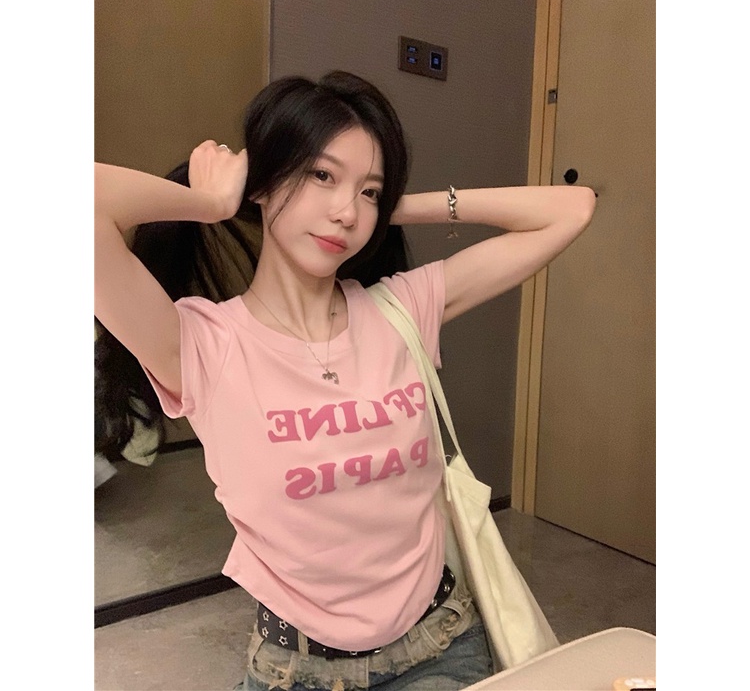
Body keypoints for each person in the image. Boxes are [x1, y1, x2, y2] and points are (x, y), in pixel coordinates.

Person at [94, 70, 595, 691]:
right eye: (321, 176)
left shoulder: (402, 307)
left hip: (440, 647)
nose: (346, 211)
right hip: (296, 671)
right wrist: (215, 203)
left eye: (369, 190)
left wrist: (394, 207)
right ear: (264, 182)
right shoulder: (203, 344)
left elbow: (572, 209)